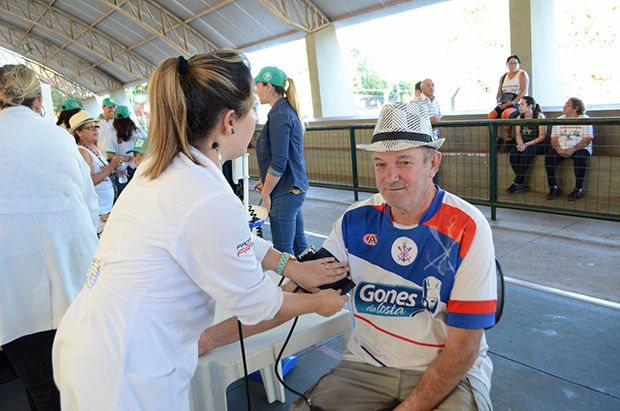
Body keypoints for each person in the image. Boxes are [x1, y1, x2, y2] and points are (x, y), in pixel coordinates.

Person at [52, 49, 349, 411]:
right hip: (126, 371)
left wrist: (289, 265)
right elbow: (259, 305)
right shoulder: (203, 194)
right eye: (252, 108)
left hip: (95, 343)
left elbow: (233, 238)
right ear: (229, 122)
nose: (256, 118)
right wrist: (320, 302)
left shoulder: (164, 168)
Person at [200, 103, 497, 411]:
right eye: (380, 164)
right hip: (369, 366)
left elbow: (464, 348)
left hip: (451, 374)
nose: (390, 176)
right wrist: (209, 339)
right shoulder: (355, 222)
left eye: (404, 162)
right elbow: (291, 297)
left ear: (433, 163)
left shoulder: (467, 227)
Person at [0, 64, 99, 411]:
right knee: (72, 389)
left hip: (12, 291)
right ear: (40, 101)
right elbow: (88, 208)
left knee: (42, 390)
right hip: (72, 279)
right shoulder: (60, 139)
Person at [254, 66, 309, 256]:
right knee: (300, 249)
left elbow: (279, 163)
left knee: (283, 255)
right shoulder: (285, 111)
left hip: (284, 193)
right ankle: (314, 283)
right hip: (292, 191)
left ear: (268, 86)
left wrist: (266, 192)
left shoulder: (279, 115)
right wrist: (264, 181)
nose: (256, 90)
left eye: (258, 85)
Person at [70, 110, 123, 234]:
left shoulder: (94, 148)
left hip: (105, 210)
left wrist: (112, 171)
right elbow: (89, 181)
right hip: (99, 213)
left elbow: (100, 173)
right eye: (90, 128)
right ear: (79, 133)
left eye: (96, 127)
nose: (95, 130)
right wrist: (110, 167)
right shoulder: (82, 151)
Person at [545, 97, 593, 201]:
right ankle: (554, 187)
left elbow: (587, 140)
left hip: (580, 148)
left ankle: (578, 189)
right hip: (561, 148)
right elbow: (553, 139)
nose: (564, 106)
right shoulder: (559, 120)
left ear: (575, 108)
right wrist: (558, 149)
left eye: (567, 104)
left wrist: (572, 149)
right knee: (549, 159)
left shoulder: (585, 119)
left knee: (580, 159)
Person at [506, 96, 547, 194]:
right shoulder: (520, 117)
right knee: (513, 155)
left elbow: (542, 137)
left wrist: (526, 145)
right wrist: (521, 144)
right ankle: (521, 181)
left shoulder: (539, 117)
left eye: (522, 104)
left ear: (530, 106)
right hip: (524, 143)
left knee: (525, 155)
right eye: (520, 104)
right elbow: (518, 135)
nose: (519, 107)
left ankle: (516, 183)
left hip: (537, 143)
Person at [105, 105, 148, 185]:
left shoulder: (112, 134)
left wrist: (128, 159)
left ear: (115, 118)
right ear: (129, 116)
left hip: (123, 169)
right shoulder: (139, 131)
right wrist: (131, 159)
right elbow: (148, 147)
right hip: (133, 167)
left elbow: (110, 155)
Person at [489, 55, 529, 121]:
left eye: (515, 63)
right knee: (492, 115)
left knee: (505, 114)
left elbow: (523, 91)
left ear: (519, 64)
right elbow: (499, 92)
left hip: (516, 102)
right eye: (510, 63)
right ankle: (493, 131)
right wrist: (498, 103)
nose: (512, 65)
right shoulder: (503, 77)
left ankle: (508, 131)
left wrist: (512, 103)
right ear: (507, 65)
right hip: (504, 101)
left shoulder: (522, 74)